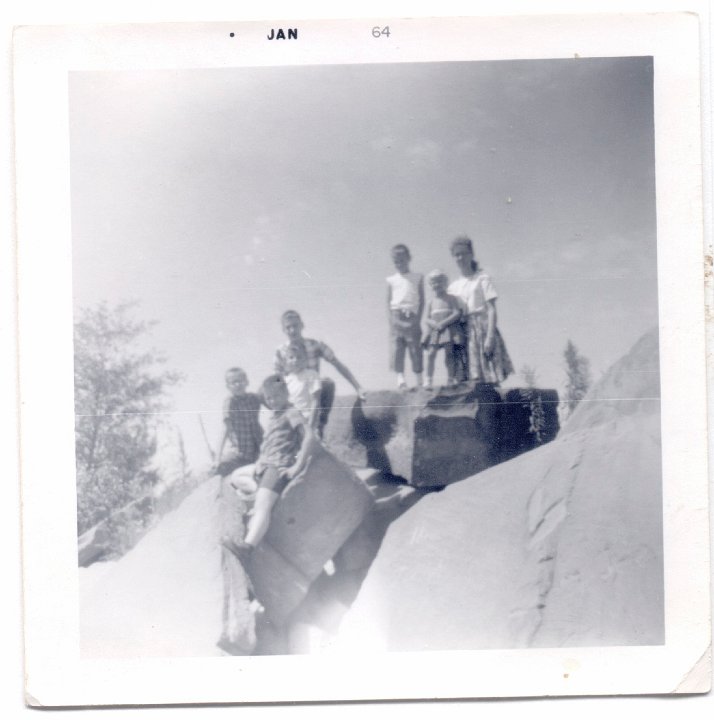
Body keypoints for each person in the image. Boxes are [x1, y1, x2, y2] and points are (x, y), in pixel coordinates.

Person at [221, 374, 318, 564]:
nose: (272, 401)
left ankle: (247, 548)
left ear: (286, 394)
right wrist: (260, 462)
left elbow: (309, 437)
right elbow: (271, 443)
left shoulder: (291, 412)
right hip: (266, 465)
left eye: (276, 397)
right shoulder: (275, 415)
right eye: (269, 398)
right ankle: (259, 493)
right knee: (236, 476)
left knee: (262, 507)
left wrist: (296, 466)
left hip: (279, 466)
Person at [274, 310, 366, 436]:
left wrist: (358, 387)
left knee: (327, 383)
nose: (292, 330)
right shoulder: (281, 351)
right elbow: (277, 379)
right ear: (283, 330)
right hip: (294, 397)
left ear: (302, 325)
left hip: (313, 394)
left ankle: (320, 425)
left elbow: (337, 363)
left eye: (295, 326)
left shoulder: (314, 345)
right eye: (288, 327)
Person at [447, 235, 513, 384]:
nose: (460, 258)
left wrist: (490, 337)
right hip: (465, 333)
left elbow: (491, 309)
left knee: (490, 377)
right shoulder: (453, 287)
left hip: (483, 329)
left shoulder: (482, 278)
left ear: (471, 254)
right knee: (471, 380)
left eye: (463, 253)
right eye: (456, 255)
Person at [212, 367, 263, 477]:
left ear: (247, 382)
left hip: (258, 449)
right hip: (240, 452)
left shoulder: (254, 398)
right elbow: (225, 430)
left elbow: (271, 400)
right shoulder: (230, 403)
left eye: (240, 381)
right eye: (233, 382)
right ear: (228, 387)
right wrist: (217, 458)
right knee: (220, 468)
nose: (237, 385)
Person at [386, 244, 424, 390]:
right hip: (396, 315)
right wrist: (391, 319)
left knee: (415, 348)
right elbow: (388, 301)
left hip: (412, 316)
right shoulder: (391, 280)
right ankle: (400, 378)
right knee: (397, 348)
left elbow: (422, 299)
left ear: (409, 258)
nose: (399, 264)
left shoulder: (417, 278)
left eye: (402, 260)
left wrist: (418, 318)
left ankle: (419, 378)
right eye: (396, 261)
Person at [422, 269, 467, 389]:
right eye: (434, 282)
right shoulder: (430, 301)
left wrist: (444, 323)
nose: (437, 285)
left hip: (448, 328)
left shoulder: (451, 298)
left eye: (440, 282)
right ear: (430, 285)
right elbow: (426, 318)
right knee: (431, 354)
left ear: (445, 283)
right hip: (435, 330)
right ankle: (428, 379)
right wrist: (434, 324)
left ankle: (450, 378)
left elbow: (457, 313)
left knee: (449, 353)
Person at [282, 341, 322, 430]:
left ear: (305, 359)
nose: (295, 360)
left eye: (299, 357)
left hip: (307, 419)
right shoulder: (286, 380)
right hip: (290, 422)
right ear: (286, 361)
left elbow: (315, 402)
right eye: (291, 357)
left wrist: (311, 426)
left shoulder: (311, 375)